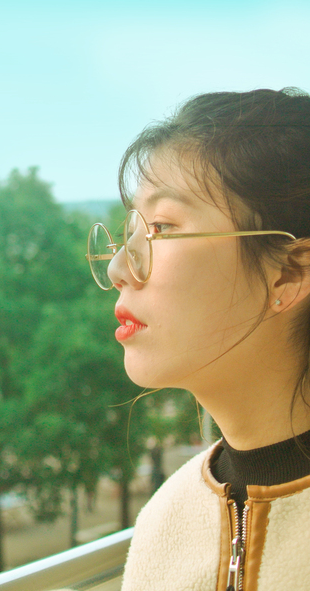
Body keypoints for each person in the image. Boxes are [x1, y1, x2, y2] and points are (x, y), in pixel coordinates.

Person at [86, 88, 310, 591]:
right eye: (130, 232)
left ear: (289, 273)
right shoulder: (165, 521)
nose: (120, 268)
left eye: (162, 228)